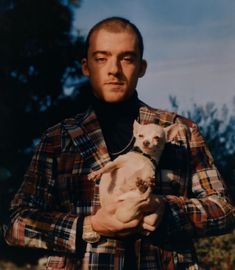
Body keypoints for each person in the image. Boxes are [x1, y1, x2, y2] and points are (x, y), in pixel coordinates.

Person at [4, 17, 234, 270]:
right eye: (102, 58)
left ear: (142, 66)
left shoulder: (181, 131)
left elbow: (224, 209)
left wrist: (168, 211)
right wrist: (89, 225)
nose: (113, 69)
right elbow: (16, 222)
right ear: (86, 67)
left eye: (126, 58)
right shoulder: (57, 139)